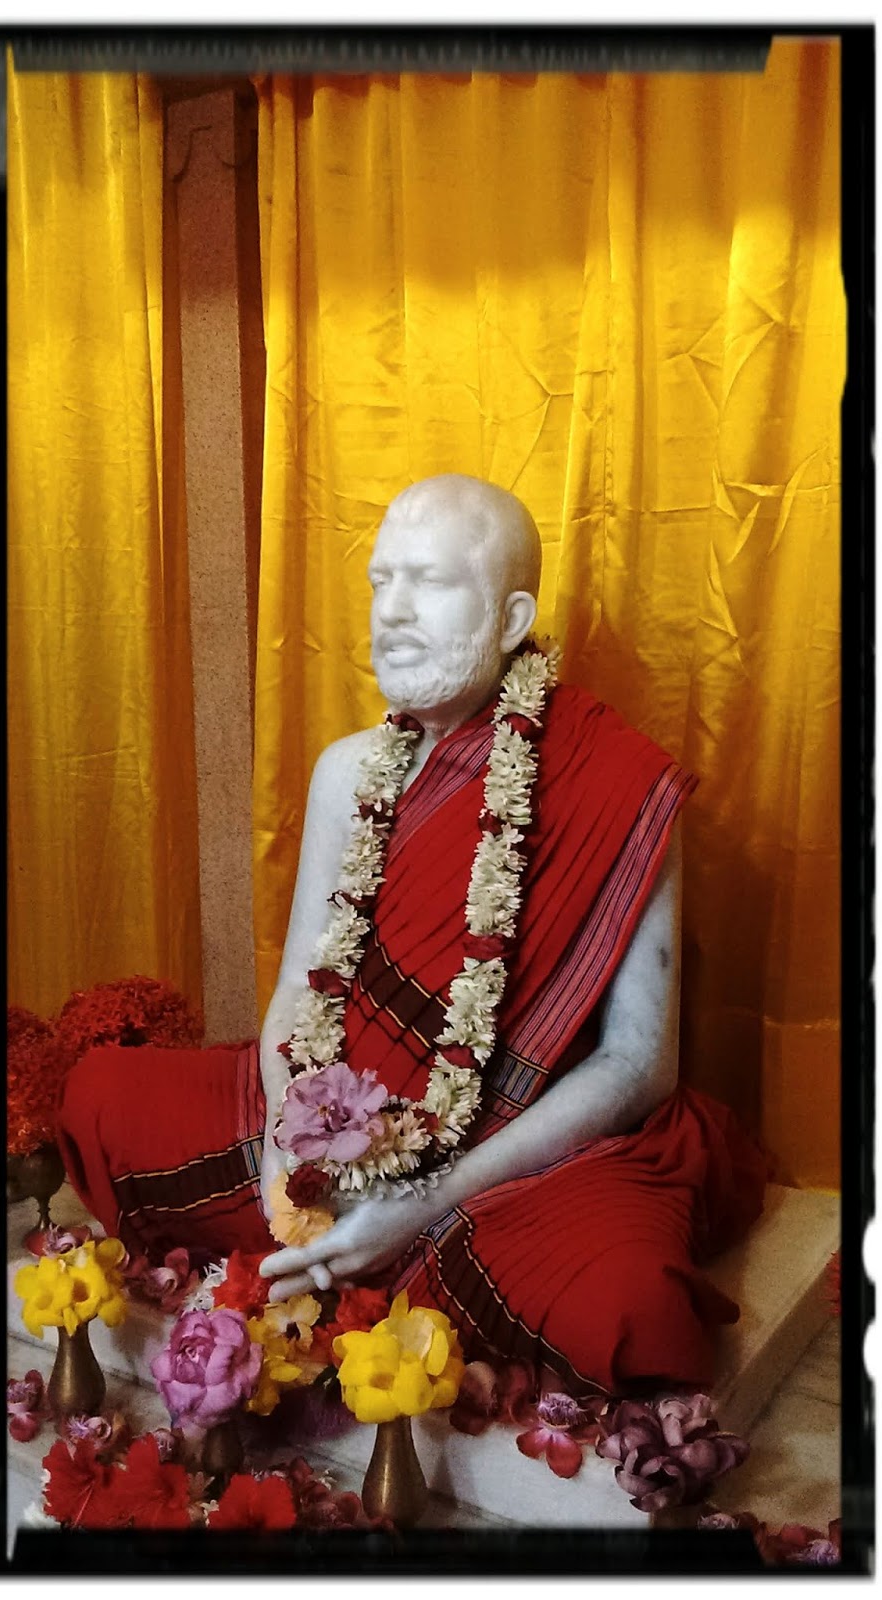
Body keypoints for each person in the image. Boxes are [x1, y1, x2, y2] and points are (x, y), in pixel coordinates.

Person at [57, 474, 765, 1398]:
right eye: (381, 581)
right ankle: (356, 1256)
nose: (390, 611)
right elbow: (301, 992)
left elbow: (637, 1067)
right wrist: (288, 1151)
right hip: (335, 1110)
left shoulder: (620, 786)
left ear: (512, 618)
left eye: (428, 582)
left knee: (634, 1307)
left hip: (512, 1149)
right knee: (99, 1096)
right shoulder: (347, 771)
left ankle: (390, 1252)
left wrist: (422, 1200)